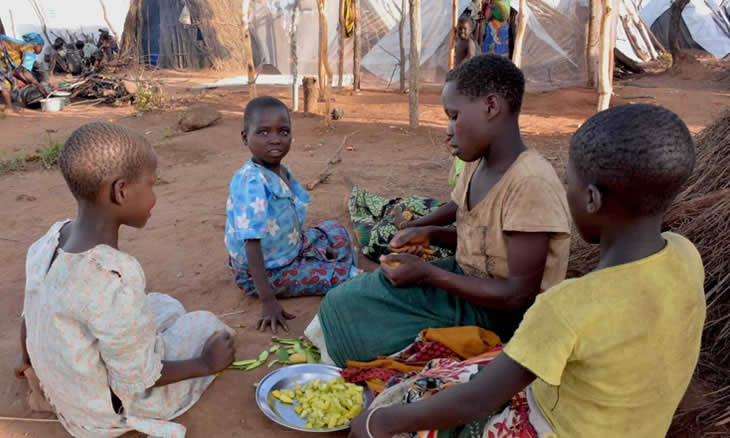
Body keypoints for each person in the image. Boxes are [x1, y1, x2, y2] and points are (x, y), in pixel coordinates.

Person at [347, 104, 705, 438]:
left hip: (554, 427)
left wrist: (377, 423)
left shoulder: (566, 307)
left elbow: (475, 402)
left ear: (592, 199)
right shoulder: (686, 254)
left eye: (570, 182)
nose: (566, 192)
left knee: (428, 396)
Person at [307, 55, 571, 367]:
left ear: (490, 106)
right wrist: (427, 231)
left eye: (454, 116)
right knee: (345, 300)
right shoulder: (478, 165)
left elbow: (518, 296)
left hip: (503, 317)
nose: (448, 130)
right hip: (466, 282)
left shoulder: (530, 183)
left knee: (365, 335)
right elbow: (473, 228)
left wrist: (428, 274)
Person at [13, 122, 236, 438]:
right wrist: (205, 363)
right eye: (151, 184)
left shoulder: (49, 240)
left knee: (163, 305)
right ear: (121, 191)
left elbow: (29, 316)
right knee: (206, 325)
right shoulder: (112, 280)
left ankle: (51, 384)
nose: (154, 196)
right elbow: (137, 379)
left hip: (64, 382)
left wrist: (28, 360)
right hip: (102, 411)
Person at [225, 96, 360, 333]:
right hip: (268, 270)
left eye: (283, 131)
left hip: (289, 248)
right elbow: (252, 244)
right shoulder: (252, 183)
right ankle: (323, 269)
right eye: (264, 132)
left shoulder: (278, 170)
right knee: (349, 276)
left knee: (336, 231)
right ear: (245, 137)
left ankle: (317, 262)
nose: (275, 139)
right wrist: (268, 300)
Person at [0, 32, 47, 112]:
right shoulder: (29, 50)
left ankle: (8, 105)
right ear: (37, 45)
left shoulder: (21, 46)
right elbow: (25, 72)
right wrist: (39, 87)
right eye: (41, 47)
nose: (41, 50)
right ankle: (9, 107)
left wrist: (26, 81)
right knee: (6, 81)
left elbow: (16, 71)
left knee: (6, 78)